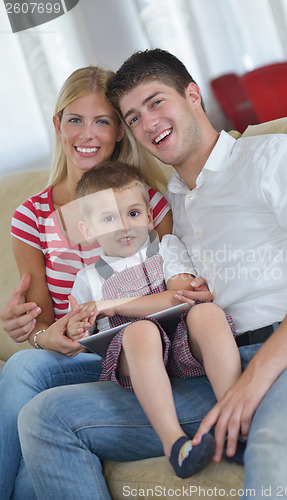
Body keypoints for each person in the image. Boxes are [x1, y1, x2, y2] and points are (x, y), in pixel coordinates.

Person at [17, 48, 287, 499]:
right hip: (211, 368)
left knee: (278, 460)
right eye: (132, 117)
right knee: (44, 417)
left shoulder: (271, 155)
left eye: (156, 102)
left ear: (192, 95)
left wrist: (256, 378)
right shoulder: (168, 211)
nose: (147, 123)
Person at [0, 65, 173, 499]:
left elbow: (175, 282)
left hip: (141, 351)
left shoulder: (147, 201)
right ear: (58, 125)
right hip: (80, 358)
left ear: (119, 131)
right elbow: (40, 325)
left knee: (28, 471)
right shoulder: (31, 216)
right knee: (23, 364)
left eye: (102, 121)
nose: (87, 134)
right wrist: (39, 334)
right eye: (75, 119)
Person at [66, 160, 241, 478]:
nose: (124, 226)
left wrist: (114, 304)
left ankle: (236, 421)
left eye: (133, 213)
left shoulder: (168, 248)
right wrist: (77, 325)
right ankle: (175, 444)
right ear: (87, 231)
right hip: (133, 356)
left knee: (207, 313)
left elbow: (179, 296)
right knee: (141, 332)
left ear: (149, 216)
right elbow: (83, 336)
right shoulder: (87, 279)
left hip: (181, 344)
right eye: (108, 218)